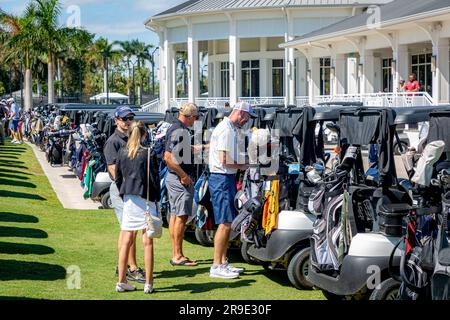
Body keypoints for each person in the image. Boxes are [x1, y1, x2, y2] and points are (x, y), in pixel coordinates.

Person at [208, 101, 255, 279]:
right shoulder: (227, 129)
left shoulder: (228, 128)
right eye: (247, 117)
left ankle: (222, 262)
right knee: (225, 222)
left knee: (226, 222)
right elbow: (224, 160)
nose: (247, 121)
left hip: (224, 177)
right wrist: (243, 166)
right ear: (241, 113)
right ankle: (217, 265)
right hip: (221, 177)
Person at [115, 121, 159, 294]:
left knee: (126, 239)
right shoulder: (149, 153)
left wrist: (124, 193)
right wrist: (156, 198)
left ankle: (122, 280)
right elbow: (154, 179)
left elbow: (118, 178)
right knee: (147, 241)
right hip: (145, 198)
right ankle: (148, 282)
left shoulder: (122, 152)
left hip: (129, 198)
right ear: (144, 135)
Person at [104, 106, 146, 284]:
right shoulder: (113, 141)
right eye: (124, 118)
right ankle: (132, 268)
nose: (127, 121)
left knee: (129, 230)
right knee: (129, 230)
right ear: (116, 120)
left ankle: (124, 266)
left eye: (130, 118)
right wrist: (126, 187)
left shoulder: (132, 136)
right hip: (122, 189)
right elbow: (113, 170)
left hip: (131, 189)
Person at [164, 103, 200, 267]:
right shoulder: (180, 130)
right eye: (196, 117)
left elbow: (182, 150)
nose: (197, 120)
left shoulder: (176, 128)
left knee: (175, 215)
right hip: (178, 179)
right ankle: (177, 255)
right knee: (181, 216)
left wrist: (203, 147)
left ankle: (176, 253)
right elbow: (168, 157)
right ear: (189, 116)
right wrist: (184, 176)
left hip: (174, 178)